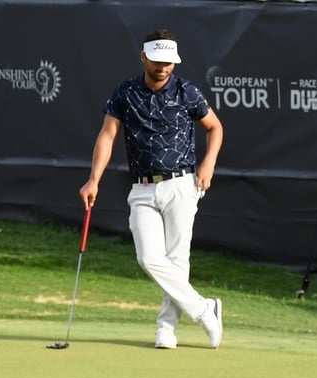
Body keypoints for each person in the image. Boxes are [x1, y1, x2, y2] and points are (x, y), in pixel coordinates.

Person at [79, 29, 224, 350]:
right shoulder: (124, 92)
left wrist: (209, 163)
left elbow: (215, 127)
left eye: (169, 62)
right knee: (148, 258)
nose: (163, 67)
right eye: (158, 61)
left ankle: (166, 328)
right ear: (144, 57)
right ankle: (204, 309)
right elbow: (107, 135)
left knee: (177, 259)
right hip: (142, 189)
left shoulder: (187, 92)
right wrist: (94, 179)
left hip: (182, 185)